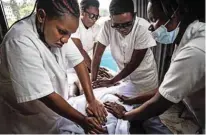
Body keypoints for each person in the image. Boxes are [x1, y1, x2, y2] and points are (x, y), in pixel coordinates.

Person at [0, 0, 107, 133]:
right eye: (62, 32)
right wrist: (83, 121)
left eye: (70, 34)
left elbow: (79, 63)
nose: (66, 40)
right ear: (41, 16)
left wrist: (91, 100)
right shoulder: (19, 41)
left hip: (53, 115)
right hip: (27, 121)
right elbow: (47, 96)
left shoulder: (59, 31)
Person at [104, 0, 205, 132]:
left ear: (174, 15)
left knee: (143, 118)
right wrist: (132, 100)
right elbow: (166, 87)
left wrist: (124, 115)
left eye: (154, 19)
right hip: (198, 113)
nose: (151, 27)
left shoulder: (194, 51)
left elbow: (160, 103)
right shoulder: (185, 39)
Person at [91, 0, 158, 95]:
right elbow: (97, 56)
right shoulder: (107, 26)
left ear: (134, 16)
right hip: (123, 78)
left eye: (127, 24)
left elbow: (133, 64)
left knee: (142, 106)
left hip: (144, 80)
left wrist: (111, 81)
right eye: (117, 25)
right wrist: (93, 82)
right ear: (111, 18)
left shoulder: (143, 27)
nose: (122, 29)